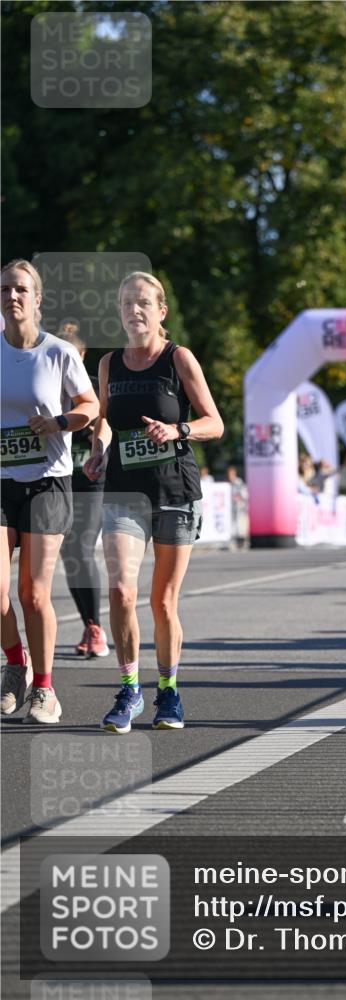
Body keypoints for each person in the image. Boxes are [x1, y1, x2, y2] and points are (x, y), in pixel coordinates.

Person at [84, 271, 224, 732]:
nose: (134, 311)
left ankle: (168, 691)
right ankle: (129, 688)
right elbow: (104, 421)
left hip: (175, 491)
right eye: (126, 303)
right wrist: (98, 447)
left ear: (161, 312)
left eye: (143, 303)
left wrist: (178, 429)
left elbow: (214, 423)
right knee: (122, 590)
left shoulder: (178, 358)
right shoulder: (109, 364)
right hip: (124, 490)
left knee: (162, 602)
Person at [1, 260, 99, 723]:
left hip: (47, 480)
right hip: (0, 482)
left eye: (21, 289)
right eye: (4, 289)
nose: (12, 296)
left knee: (33, 594)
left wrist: (58, 422)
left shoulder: (59, 353)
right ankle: (16, 666)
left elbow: (90, 406)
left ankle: (45, 688)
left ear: (37, 299)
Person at [56, 322, 109, 657]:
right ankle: (89, 623)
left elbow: (105, 417)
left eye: (71, 358)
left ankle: (95, 629)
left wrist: (97, 448)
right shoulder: (43, 389)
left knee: (81, 547)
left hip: (91, 479)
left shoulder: (91, 387)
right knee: (69, 555)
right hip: (55, 480)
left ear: (82, 356)